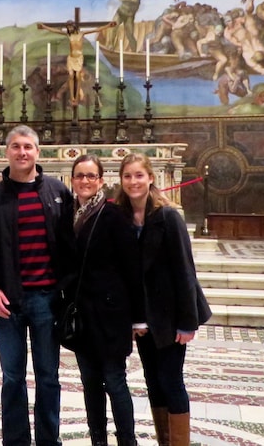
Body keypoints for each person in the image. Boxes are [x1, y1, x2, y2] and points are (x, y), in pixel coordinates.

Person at [0, 125, 75, 446]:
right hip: (8, 300)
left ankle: (49, 440)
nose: (22, 152)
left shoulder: (58, 192)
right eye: (16, 146)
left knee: (48, 377)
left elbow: (70, 246)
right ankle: (16, 441)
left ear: (38, 152)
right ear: (7, 152)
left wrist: (66, 290)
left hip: (47, 299)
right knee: (12, 378)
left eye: (28, 147)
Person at [115, 153, 204, 446]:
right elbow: (126, 274)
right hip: (143, 319)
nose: (133, 182)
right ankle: (165, 440)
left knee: (171, 381)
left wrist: (187, 323)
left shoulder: (167, 217)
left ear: (151, 178)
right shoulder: (122, 218)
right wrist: (133, 318)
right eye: (128, 176)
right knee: (153, 383)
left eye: (139, 175)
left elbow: (184, 270)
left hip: (170, 316)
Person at [66, 155, 140, 446]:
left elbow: (130, 267)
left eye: (91, 176)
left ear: (100, 180)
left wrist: (137, 316)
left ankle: (127, 441)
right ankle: (98, 439)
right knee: (90, 384)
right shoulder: (68, 214)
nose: (85, 181)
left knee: (115, 381)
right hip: (83, 315)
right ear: (72, 180)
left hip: (111, 315)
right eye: (79, 175)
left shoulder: (113, 215)